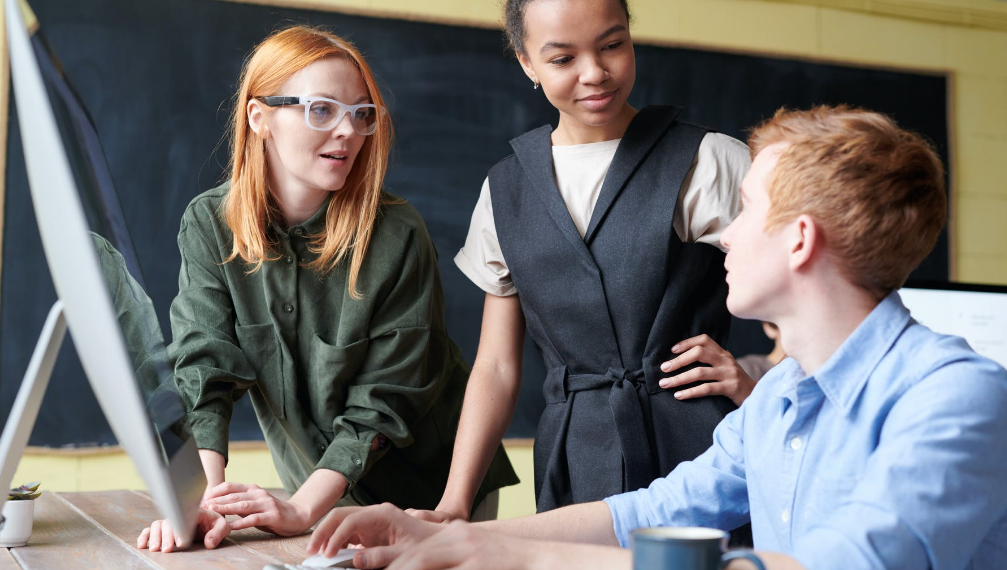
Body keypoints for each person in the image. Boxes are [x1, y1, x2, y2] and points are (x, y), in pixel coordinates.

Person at [305, 106, 1007, 570]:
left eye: (745, 210)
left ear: (799, 240)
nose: (725, 234)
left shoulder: (957, 396)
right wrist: (453, 537)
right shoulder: (779, 398)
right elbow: (651, 513)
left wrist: (519, 558)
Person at [136, 25, 517, 553]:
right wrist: (202, 502)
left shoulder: (398, 235)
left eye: (362, 114)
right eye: (322, 109)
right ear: (258, 117)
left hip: (430, 499)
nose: (348, 131)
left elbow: (385, 401)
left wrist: (301, 508)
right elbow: (205, 367)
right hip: (312, 502)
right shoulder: (209, 223)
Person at [413, 0, 756, 525]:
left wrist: (753, 383)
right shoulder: (506, 189)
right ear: (526, 62)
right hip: (575, 457)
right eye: (562, 58)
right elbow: (498, 367)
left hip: (703, 447)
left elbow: (814, 295)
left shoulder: (709, 160)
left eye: (613, 45)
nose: (595, 73)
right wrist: (455, 503)